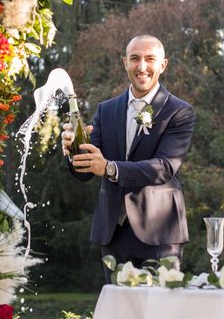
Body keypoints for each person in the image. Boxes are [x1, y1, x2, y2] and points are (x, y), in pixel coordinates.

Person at [61, 35, 196, 282]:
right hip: (113, 232)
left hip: (160, 233)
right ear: (125, 63)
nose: (141, 66)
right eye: (135, 59)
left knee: (159, 311)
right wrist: (73, 152)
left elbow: (164, 168)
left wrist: (110, 168)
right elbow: (88, 171)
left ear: (163, 65)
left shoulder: (179, 111)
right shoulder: (106, 109)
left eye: (150, 59)